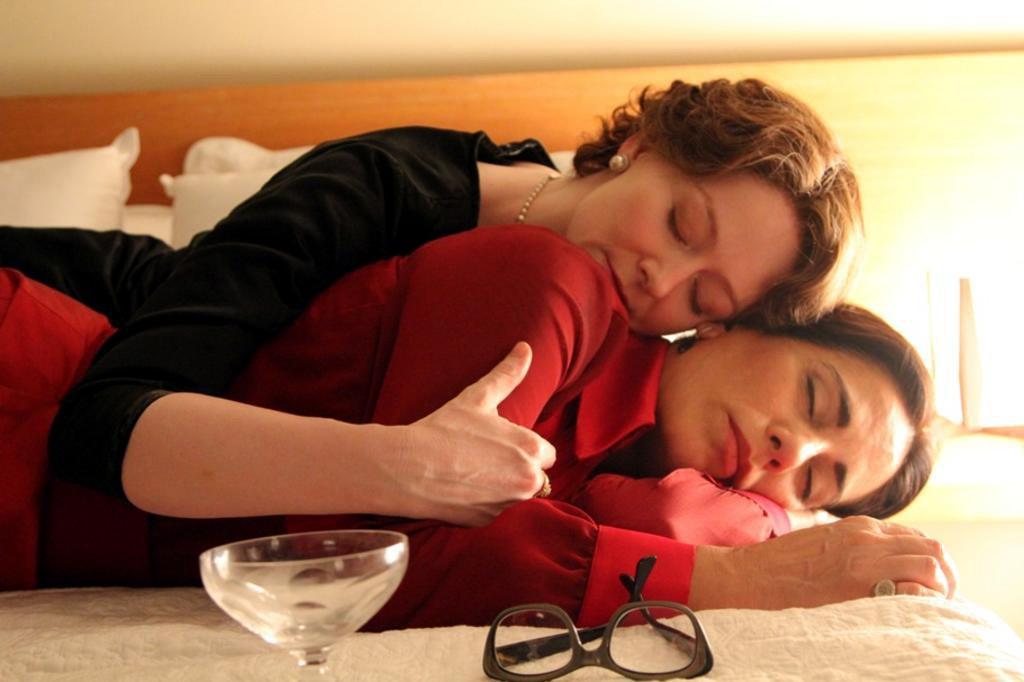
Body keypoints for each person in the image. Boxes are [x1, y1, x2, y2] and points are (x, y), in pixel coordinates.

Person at [0, 77, 862, 527]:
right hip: (66, 303)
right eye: (679, 223)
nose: (659, 281)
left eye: (703, 296)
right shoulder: (379, 186)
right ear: (639, 146)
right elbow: (101, 426)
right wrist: (397, 464)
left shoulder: (628, 368)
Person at [2, 224, 951, 624]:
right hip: (35, 414)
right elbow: (379, 561)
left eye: (818, 481)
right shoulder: (550, 289)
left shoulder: (625, 495)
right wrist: (737, 579)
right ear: (739, 320)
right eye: (816, 402)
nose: (792, 452)